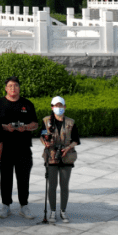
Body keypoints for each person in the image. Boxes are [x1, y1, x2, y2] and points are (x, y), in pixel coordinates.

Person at [0, 76, 39, 220]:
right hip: (5, 148)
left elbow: (35, 124)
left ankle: (24, 205)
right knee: (5, 178)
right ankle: (5, 205)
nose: (13, 88)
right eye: (10, 86)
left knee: (23, 177)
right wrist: (5, 127)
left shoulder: (27, 104)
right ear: (6, 88)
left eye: (16, 86)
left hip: (23, 148)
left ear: (19, 88)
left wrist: (25, 127)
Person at [41, 95, 80, 224]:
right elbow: (41, 136)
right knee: (52, 185)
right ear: (52, 107)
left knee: (64, 185)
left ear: (64, 107)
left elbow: (76, 140)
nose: (59, 108)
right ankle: (52, 211)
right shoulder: (46, 121)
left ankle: (63, 211)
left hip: (66, 156)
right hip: (52, 156)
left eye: (61, 105)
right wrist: (45, 143)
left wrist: (68, 148)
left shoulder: (70, 122)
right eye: (56, 106)